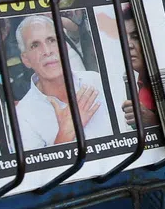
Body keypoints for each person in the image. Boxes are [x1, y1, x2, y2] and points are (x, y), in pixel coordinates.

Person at [14, 14, 110, 150]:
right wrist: (65, 135)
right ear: (26, 60)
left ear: (64, 47)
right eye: (35, 45)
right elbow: (38, 171)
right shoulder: (22, 115)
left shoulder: (96, 81)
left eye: (51, 40)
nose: (47, 51)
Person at [119, 6, 158, 128]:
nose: (128, 45)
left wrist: (153, 120)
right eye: (125, 38)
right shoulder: (140, 81)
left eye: (135, 37)